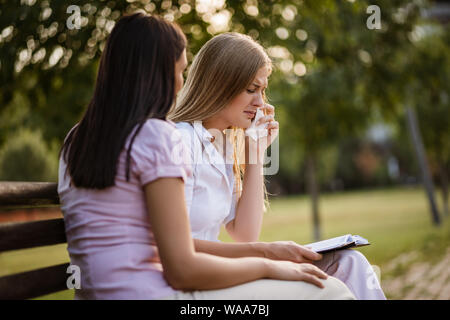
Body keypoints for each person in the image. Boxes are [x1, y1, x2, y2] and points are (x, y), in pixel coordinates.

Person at [57, 13, 354, 300]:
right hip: (162, 293)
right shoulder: (158, 137)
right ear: (157, 74)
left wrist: (254, 155)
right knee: (333, 292)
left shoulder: (76, 139)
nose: (180, 83)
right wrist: (266, 261)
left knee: (337, 273)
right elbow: (182, 268)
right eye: (179, 71)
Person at [169, 33, 386, 300]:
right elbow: (171, 250)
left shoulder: (221, 148)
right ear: (219, 85)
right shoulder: (181, 142)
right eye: (251, 89)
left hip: (222, 269)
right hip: (195, 281)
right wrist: (266, 253)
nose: (260, 102)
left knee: (350, 263)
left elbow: (245, 233)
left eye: (262, 90)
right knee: (329, 291)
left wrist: (255, 153)